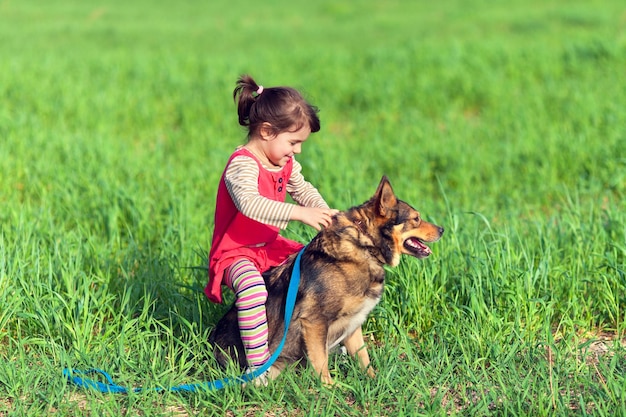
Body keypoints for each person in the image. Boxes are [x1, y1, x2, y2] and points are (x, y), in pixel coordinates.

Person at [205, 74, 338, 384]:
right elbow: (250, 204)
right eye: (294, 142)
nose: (298, 151)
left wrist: (322, 211)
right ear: (266, 131)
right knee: (252, 289)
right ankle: (258, 366)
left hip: (267, 249)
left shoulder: (283, 163)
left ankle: (317, 340)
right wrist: (299, 214)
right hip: (235, 253)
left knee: (312, 274)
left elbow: (302, 188)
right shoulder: (244, 164)